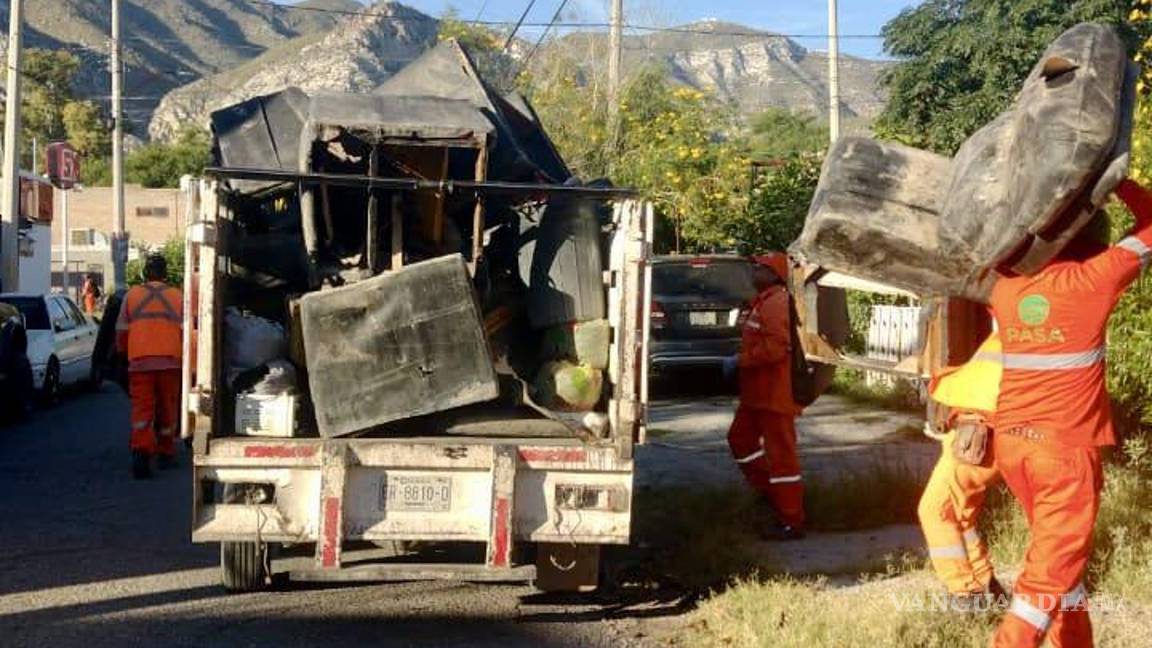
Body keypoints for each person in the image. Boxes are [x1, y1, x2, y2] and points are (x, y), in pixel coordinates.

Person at [989, 178, 1152, 647]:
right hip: (1063, 454)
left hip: (1014, 446)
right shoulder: (1092, 281)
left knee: (1064, 567)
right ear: (1095, 244)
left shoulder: (1006, 290)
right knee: (1043, 582)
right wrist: (1116, 179)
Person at [918, 332, 1006, 609]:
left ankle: (966, 595)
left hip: (980, 432)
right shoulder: (1033, 326)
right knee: (961, 514)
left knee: (934, 510)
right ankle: (987, 585)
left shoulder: (1015, 324)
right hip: (985, 432)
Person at [725, 253, 805, 540]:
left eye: (760, 267)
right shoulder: (764, 301)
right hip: (758, 395)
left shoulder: (777, 303)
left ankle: (791, 521)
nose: (753, 271)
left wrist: (740, 360)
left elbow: (776, 349)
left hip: (775, 396)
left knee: (782, 458)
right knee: (740, 439)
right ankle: (770, 494)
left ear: (774, 275)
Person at [116, 254, 184, 479]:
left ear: (145, 273)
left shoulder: (132, 296)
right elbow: (187, 332)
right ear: (166, 273)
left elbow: (121, 331)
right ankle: (165, 450)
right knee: (167, 407)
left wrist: (122, 355)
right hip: (170, 362)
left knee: (142, 410)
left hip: (140, 362)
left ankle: (141, 453)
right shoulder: (177, 297)